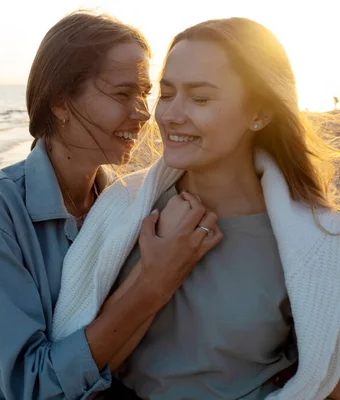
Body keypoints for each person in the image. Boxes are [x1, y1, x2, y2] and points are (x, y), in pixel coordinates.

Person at [52, 17, 340, 399]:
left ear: (260, 114)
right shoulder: (125, 208)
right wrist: (154, 273)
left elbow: (323, 377)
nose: (169, 115)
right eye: (166, 93)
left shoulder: (318, 239)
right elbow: (83, 369)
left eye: (200, 98)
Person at [0, 11, 223, 400]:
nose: (143, 112)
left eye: (144, 93)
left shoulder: (123, 204)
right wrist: (154, 283)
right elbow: (30, 385)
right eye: (122, 93)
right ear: (61, 102)